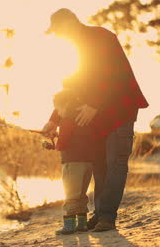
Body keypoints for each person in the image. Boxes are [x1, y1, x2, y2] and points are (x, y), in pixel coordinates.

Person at [42, 8, 149, 232]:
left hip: (120, 112)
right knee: (99, 166)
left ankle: (107, 216)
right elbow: (70, 92)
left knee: (115, 163)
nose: (57, 36)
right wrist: (54, 120)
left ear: (69, 24)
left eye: (58, 31)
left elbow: (115, 74)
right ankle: (99, 214)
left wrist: (95, 104)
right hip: (98, 120)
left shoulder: (102, 37)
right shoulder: (73, 50)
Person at [51, 89, 106, 235]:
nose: (58, 112)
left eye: (58, 109)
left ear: (65, 105)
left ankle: (69, 225)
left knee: (70, 194)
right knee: (81, 193)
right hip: (88, 162)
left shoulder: (67, 120)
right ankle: (81, 224)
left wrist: (53, 144)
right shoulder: (85, 119)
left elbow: (63, 143)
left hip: (72, 163)